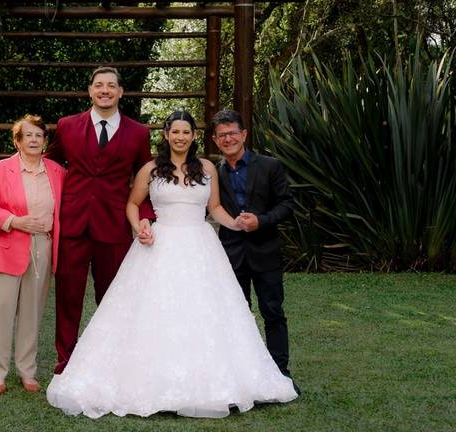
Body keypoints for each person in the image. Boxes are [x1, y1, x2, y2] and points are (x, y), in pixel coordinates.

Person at [46, 111, 297, 418]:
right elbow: (132, 203)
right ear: (166, 134)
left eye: (186, 132)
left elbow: (215, 207)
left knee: (205, 311)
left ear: (194, 136)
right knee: (155, 310)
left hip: (200, 245)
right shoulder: (151, 169)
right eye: (175, 131)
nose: (180, 137)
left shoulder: (207, 168)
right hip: (160, 244)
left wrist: (237, 224)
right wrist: (140, 226)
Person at [45, 66, 154, 374]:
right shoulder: (67, 126)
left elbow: (145, 178)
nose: (105, 90)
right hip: (73, 223)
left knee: (113, 296)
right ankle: (66, 361)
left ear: (121, 92)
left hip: (115, 225)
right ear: (90, 91)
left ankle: (111, 360)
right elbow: (49, 165)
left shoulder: (138, 132)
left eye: (111, 85)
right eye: (99, 85)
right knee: (68, 296)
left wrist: (145, 217)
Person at [0, 114, 65, 395]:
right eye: (28, 135)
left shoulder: (57, 172)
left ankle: (27, 371)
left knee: (32, 313)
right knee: (2, 312)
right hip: (6, 246)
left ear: (45, 141)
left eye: (39, 135)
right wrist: (15, 221)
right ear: (17, 141)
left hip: (43, 247)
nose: (34, 140)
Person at [211, 109, 296, 385]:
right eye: (222, 135)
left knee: (273, 312)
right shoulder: (213, 173)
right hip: (231, 255)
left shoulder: (270, 166)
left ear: (244, 134)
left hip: (265, 251)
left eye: (232, 133)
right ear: (215, 140)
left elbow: (287, 205)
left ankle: (280, 374)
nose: (228, 139)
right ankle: (242, 376)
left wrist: (261, 221)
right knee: (237, 315)